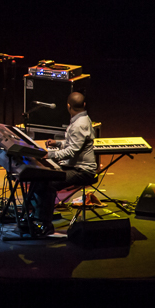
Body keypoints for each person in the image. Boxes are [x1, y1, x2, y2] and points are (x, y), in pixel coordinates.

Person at [29, 91, 97, 235]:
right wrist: (58, 143)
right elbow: (75, 142)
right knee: (39, 177)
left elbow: (72, 151)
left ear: (68, 106)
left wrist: (50, 154)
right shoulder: (84, 118)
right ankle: (35, 216)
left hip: (82, 171)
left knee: (49, 183)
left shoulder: (79, 124)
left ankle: (45, 225)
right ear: (84, 105)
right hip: (75, 166)